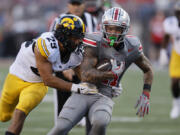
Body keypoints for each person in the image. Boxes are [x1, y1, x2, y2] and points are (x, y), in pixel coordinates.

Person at [47, 7, 153, 135]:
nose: (113, 33)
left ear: (125, 29)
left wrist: (146, 93)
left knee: (100, 122)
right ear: (103, 27)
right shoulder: (94, 42)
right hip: (85, 91)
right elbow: (86, 75)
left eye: (117, 29)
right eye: (109, 28)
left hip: (104, 95)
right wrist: (110, 75)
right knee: (61, 127)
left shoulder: (132, 46)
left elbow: (147, 69)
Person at [0, 14, 98, 135]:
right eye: (75, 37)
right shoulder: (47, 44)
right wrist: (77, 88)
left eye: (80, 37)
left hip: (37, 84)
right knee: (3, 116)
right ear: (64, 36)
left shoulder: (76, 53)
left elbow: (84, 76)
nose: (78, 41)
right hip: (17, 77)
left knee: (21, 111)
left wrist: (101, 85)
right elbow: (49, 79)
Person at [49, 0, 98, 127]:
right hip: (62, 68)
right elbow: (52, 46)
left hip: (84, 66)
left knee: (90, 103)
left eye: (79, 4)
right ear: (68, 5)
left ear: (84, 5)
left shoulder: (91, 19)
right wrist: (65, 66)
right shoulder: (59, 20)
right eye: (73, 4)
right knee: (62, 108)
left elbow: (93, 46)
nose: (76, 7)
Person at [159, 2, 180, 119]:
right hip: (177, 54)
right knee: (175, 81)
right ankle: (176, 104)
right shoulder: (171, 23)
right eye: (178, 13)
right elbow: (166, 36)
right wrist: (163, 52)